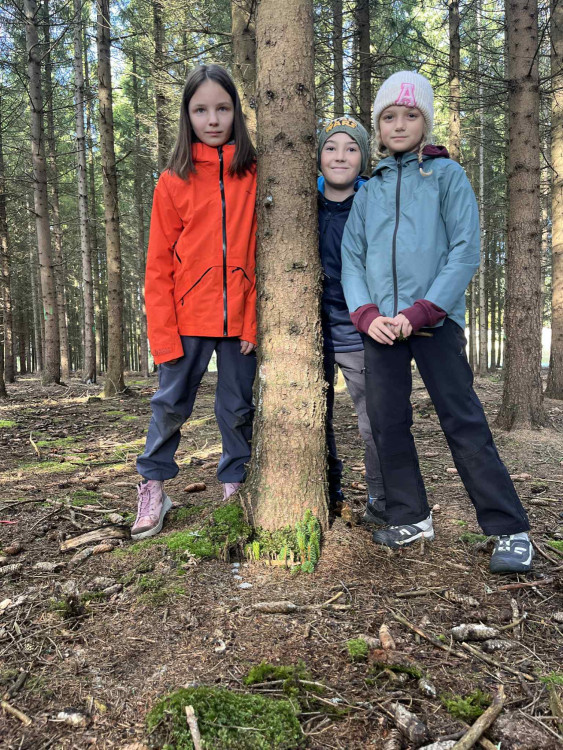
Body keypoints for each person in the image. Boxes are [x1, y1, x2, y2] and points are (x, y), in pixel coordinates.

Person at [341, 71, 533, 573]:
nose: (399, 124)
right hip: (381, 328)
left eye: (410, 115)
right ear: (378, 127)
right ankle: (411, 515)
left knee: (462, 421)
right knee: (387, 423)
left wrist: (424, 310)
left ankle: (509, 528)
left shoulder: (448, 177)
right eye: (389, 116)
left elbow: (465, 251)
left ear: (424, 121)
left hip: (435, 322)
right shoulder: (370, 190)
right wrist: (366, 314)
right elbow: (351, 259)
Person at [132, 64, 257, 540]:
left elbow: (265, 256)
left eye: (222, 108)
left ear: (236, 112)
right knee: (169, 404)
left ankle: (234, 485)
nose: (213, 119)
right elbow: (158, 266)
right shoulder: (173, 180)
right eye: (201, 110)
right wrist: (163, 336)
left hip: (241, 319)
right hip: (186, 318)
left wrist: (254, 323)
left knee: (237, 407)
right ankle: (153, 486)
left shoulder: (255, 174)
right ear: (187, 116)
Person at [317, 117, 385, 523]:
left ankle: (381, 499)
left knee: (373, 421)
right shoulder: (303, 203)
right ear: (318, 156)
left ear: (363, 157)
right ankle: (328, 492)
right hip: (311, 334)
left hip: (361, 332)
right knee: (314, 418)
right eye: (331, 147)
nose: (340, 156)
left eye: (351, 148)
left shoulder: (374, 202)